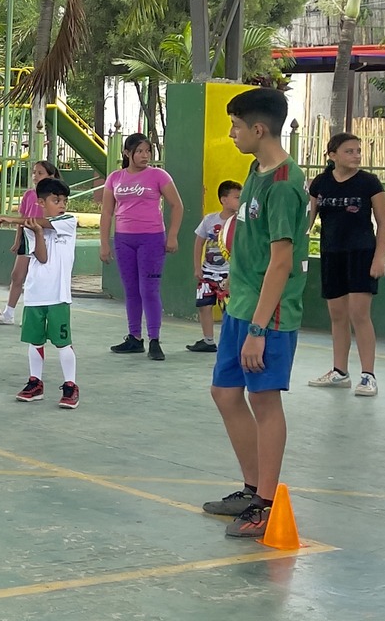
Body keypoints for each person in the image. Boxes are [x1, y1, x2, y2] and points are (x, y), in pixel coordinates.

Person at [202, 87, 307, 541]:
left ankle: (265, 504)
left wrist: (259, 329)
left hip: (270, 314)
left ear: (259, 129)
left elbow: (281, 262)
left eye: (236, 126)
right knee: (226, 393)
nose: (232, 134)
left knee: (264, 401)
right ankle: (251, 488)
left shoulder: (283, 184)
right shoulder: (255, 170)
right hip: (242, 303)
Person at [306, 133, 385, 396]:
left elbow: (384, 224)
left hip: (362, 254)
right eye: (349, 151)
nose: (356, 155)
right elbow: (307, 220)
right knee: (337, 315)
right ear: (332, 155)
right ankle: (339, 372)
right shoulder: (320, 183)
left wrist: (379, 257)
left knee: (359, 315)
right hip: (331, 254)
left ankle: (368, 376)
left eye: (358, 151)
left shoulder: (369, 182)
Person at [101, 133, 183, 360]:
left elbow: (177, 205)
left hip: (152, 239)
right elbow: (107, 212)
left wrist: (172, 236)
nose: (145, 155)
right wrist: (104, 243)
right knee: (131, 290)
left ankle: (154, 339)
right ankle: (134, 337)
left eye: (148, 151)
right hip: (124, 239)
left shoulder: (158, 175)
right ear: (127, 153)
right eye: (139, 151)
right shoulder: (115, 178)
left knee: (149, 289)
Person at [14, 175, 79, 409]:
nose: (62, 205)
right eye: (56, 200)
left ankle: (70, 385)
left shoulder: (69, 221)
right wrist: (37, 233)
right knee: (35, 341)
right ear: (41, 202)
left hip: (58, 295)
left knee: (63, 342)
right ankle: (35, 383)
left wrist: (12, 219)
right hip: (35, 293)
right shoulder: (33, 229)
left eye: (64, 201)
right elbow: (41, 257)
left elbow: (43, 223)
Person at [0, 160, 60, 325]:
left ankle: (41, 316)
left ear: (51, 176)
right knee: (17, 275)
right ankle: (8, 313)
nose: (35, 176)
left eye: (40, 173)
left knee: (39, 279)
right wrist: (18, 240)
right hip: (27, 238)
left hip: (44, 240)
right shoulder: (29, 195)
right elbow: (23, 219)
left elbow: (48, 221)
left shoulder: (55, 198)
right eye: (34, 172)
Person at [188, 180, 243, 353]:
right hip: (208, 271)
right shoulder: (209, 220)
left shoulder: (241, 223)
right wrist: (197, 267)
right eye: (236, 197)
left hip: (228, 273)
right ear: (224, 200)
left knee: (229, 308)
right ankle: (208, 340)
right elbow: (199, 243)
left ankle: (230, 341)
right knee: (204, 305)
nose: (240, 200)